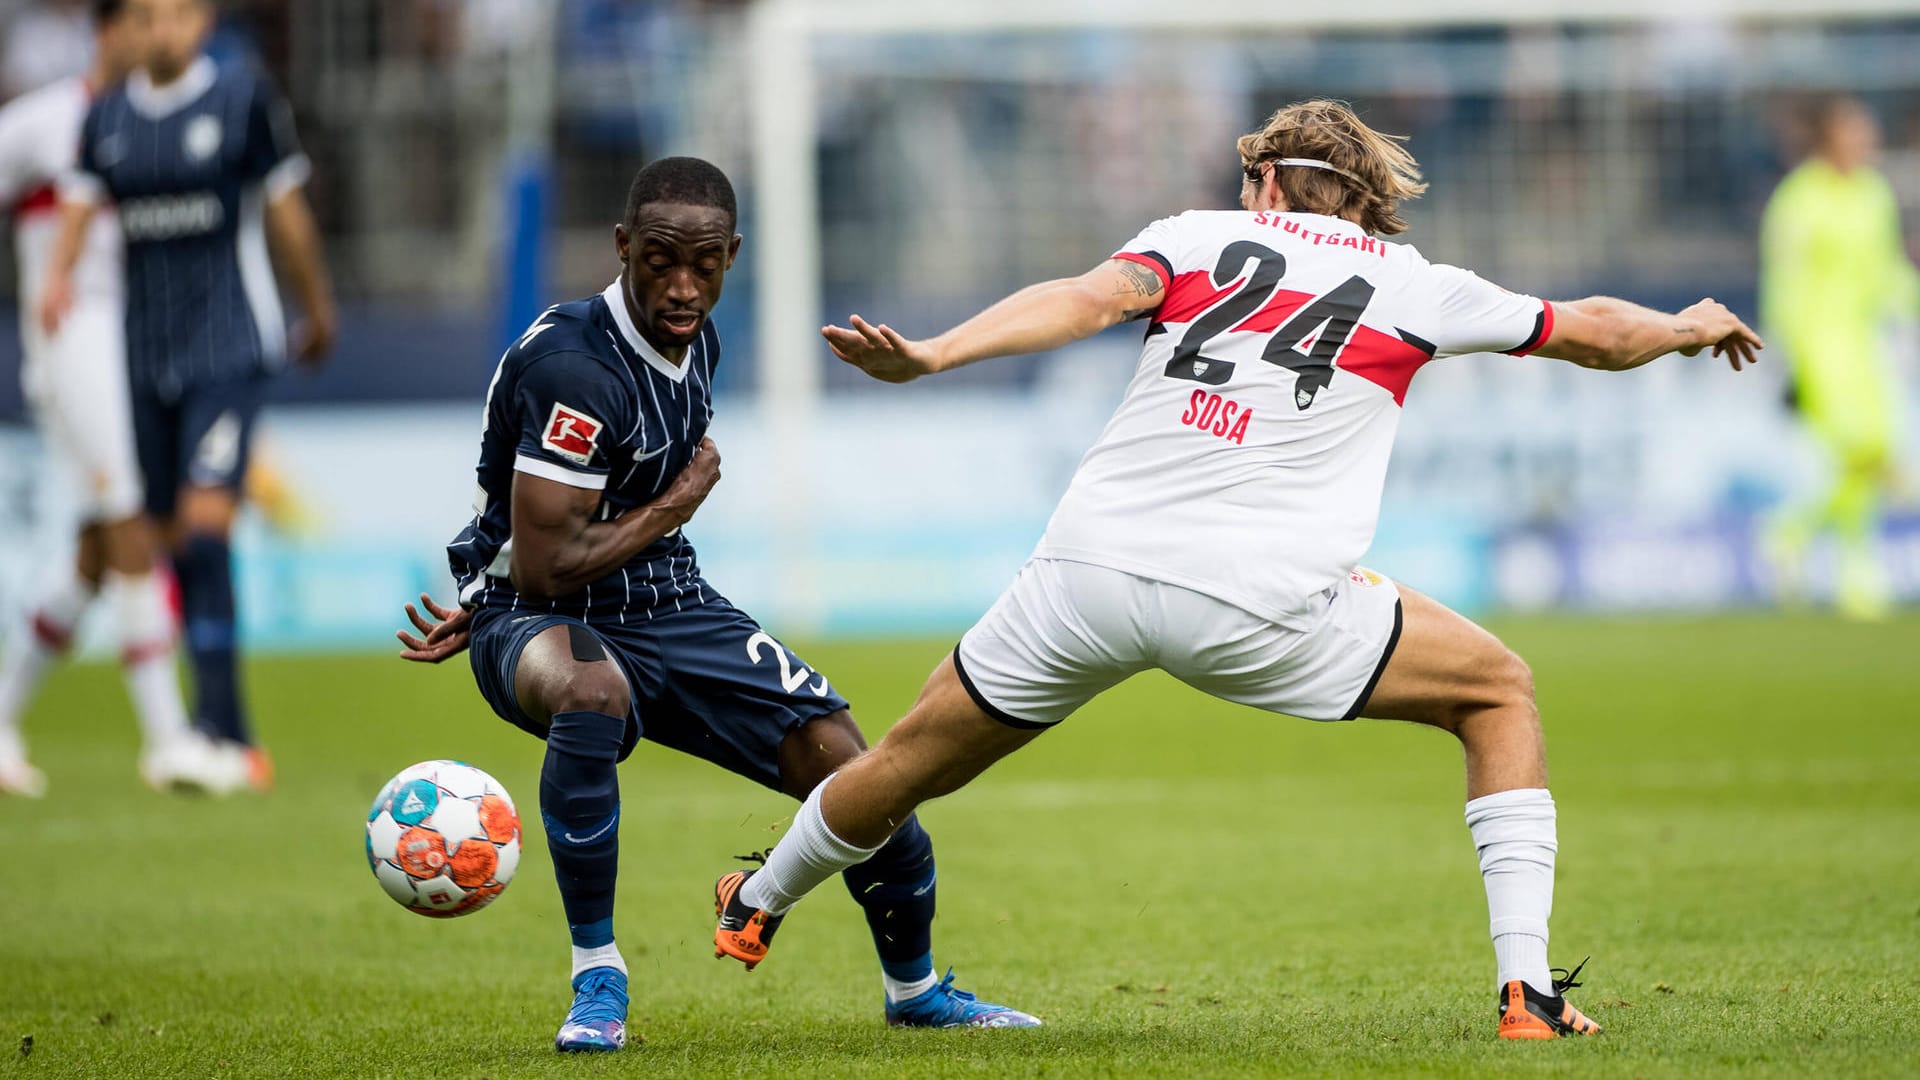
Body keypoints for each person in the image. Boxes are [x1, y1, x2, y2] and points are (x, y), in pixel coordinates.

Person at [708, 100, 1764, 1040]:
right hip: (1260, 604)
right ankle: (1527, 995)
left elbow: (1084, 298)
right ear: (1367, 203)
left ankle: (759, 899)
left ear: (1263, 182)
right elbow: (1589, 331)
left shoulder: (1194, 238)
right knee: (1498, 691)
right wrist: (1683, 326)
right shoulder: (1417, 284)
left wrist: (934, 354)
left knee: (907, 760)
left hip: (1089, 576)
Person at [393, 157, 1038, 1053]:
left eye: (706, 265)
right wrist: (674, 505)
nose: (684, 286)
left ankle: (916, 991)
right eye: (660, 261)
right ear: (623, 249)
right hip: (533, 613)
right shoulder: (576, 365)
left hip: (668, 598)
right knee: (589, 694)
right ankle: (598, 979)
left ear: (734, 255)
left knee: (859, 770)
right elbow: (544, 568)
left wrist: (661, 524)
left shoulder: (698, 337)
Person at [37, 0, 338, 791]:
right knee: (169, 540)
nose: (162, 29)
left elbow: (285, 209)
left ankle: (225, 734)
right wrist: (58, 279)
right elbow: (75, 202)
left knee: (206, 531)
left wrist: (317, 306)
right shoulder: (106, 118)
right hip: (143, 359)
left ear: (202, 21)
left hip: (229, 346)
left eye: (176, 13)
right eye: (147, 16)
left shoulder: (242, 100)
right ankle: (208, 735)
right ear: (129, 28)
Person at [0, 0, 225, 797]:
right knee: (131, 522)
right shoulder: (40, 122)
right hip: (71, 342)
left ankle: (0, 721)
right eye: (142, 20)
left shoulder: (152, 124)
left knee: (102, 551)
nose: (158, 36)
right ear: (108, 32)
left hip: (133, 346)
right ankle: (168, 741)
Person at [1760, 96, 1920, 621]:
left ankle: (1846, 568)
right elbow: (1784, 280)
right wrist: (1787, 353)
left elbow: (1886, 270)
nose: (1867, 141)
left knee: (1866, 459)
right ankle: (1800, 537)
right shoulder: (1799, 199)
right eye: (1857, 132)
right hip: (1819, 344)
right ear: (1830, 138)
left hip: (1864, 343)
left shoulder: (1873, 194)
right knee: (1864, 449)